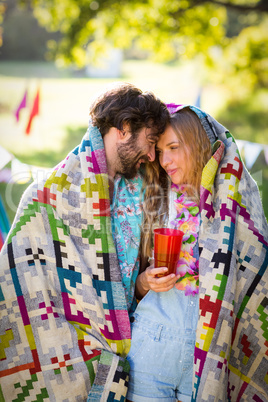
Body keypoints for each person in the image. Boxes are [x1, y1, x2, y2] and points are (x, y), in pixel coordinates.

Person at [0, 82, 170, 402]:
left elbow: (117, 282)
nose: (151, 154)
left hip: (127, 338)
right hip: (64, 344)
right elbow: (19, 282)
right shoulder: (47, 195)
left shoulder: (136, 191)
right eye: (149, 142)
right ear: (124, 128)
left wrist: (141, 286)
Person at [126, 105, 268, 402]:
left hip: (207, 361)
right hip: (151, 347)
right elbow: (131, 283)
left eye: (174, 148)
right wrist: (144, 282)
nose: (165, 160)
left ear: (198, 142)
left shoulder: (228, 208)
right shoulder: (155, 200)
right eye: (161, 151)